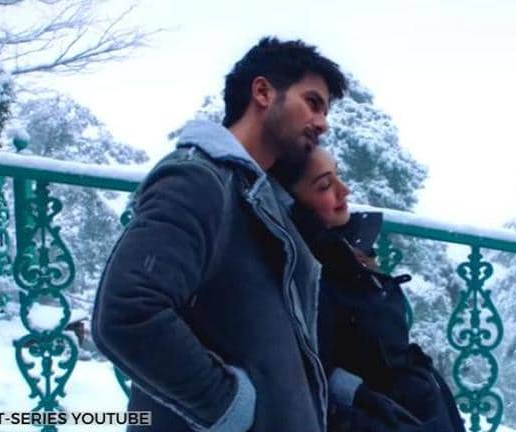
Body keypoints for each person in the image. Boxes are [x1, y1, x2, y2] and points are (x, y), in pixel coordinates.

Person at [91, 37, 347, 432]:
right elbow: (129, 312)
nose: (322, 123)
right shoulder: (198, 180)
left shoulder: (258, 197)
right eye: (312, 102)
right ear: (262, 92)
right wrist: (228, 407)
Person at [271, 147, 466, 432]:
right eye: (324, 186)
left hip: (418, 411)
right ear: (292, 203)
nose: (344, 190)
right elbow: (325, 385)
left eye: (338, 176)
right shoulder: (311, 276)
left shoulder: (344, 252)